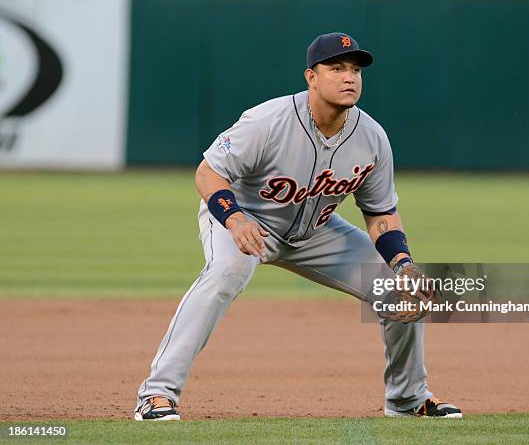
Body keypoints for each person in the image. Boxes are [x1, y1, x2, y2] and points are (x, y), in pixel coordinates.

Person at [134, 32, 462, 421]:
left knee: (400, 290)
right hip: (245, 221)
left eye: (355, 70)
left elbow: (380, 214)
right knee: (225, 272)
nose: (349, 77)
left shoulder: (372, 138)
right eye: (336, 68)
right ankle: (157, 395)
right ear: (311, 77)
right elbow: (208, 174)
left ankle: (408, 400)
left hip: (316, 232)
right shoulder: (267, 121)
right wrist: (234, 219)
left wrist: (403, 263)